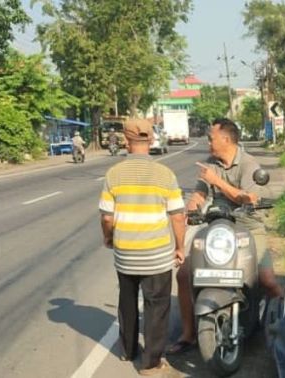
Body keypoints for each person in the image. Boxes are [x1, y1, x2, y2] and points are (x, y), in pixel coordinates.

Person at [168, 117, 284, 354]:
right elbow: (199, 194)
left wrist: (217, 181)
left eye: (211, 137)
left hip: (248, 227)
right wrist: (190, 210)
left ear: (226, 139)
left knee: (267, 281)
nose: (208, 141)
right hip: (217, 228)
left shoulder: (248, 164)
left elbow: (248, 198)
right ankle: (188, 334)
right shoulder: (211, 164)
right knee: (184, 275)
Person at [98, 118, 186, 375]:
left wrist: (108, 238)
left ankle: (127, 350)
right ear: (151, 140)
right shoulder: (165, 175)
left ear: (126, 141)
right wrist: (180, 247)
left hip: (125, 254)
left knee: (127, 301)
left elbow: (106, 217)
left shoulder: (113, 174)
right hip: (156, 255)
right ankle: (150, 363)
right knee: (156, 307)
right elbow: (178, 216)